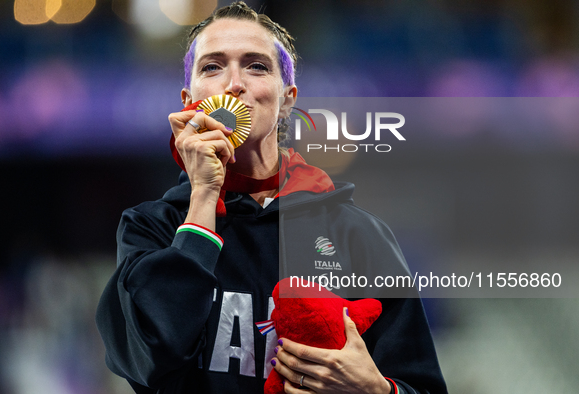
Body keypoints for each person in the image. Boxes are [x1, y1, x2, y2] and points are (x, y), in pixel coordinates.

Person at [95, 2, 448, 393]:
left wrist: (377, 391)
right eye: (212, 67)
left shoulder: (357, 234)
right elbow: (149, 360)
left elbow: (424, 386)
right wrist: (204, 197)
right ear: (187, 99)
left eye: (256, 66)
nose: (234, 83)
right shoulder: (151, 227)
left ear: (287, 101)